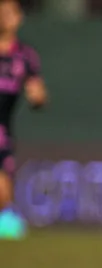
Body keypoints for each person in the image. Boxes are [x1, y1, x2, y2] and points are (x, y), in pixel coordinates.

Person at [0, 0, 46, 240]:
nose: (5, 17)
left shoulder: (24, 57)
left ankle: (6, 218)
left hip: (3, 127)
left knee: (4, 174)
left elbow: (38, 93)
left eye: (10, 13)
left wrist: (37, 97)